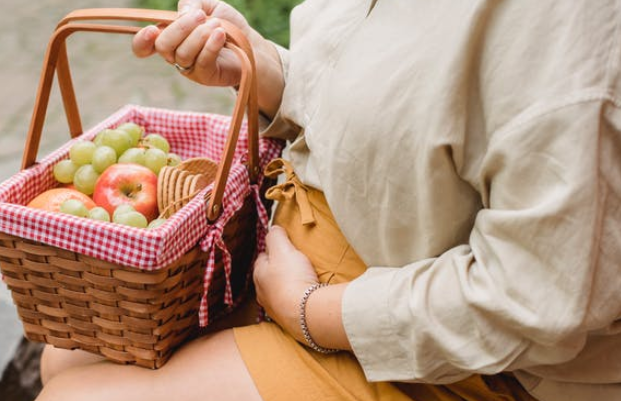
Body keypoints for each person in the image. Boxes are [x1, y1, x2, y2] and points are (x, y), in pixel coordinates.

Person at [36, 0, 621, 400]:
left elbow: (535, 297)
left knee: (73, 395)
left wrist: (308, 310)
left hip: (461, 367)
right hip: (300, 272)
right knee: (66, 356)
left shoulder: (568, 36)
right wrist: (269, 72)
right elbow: (394, 104)